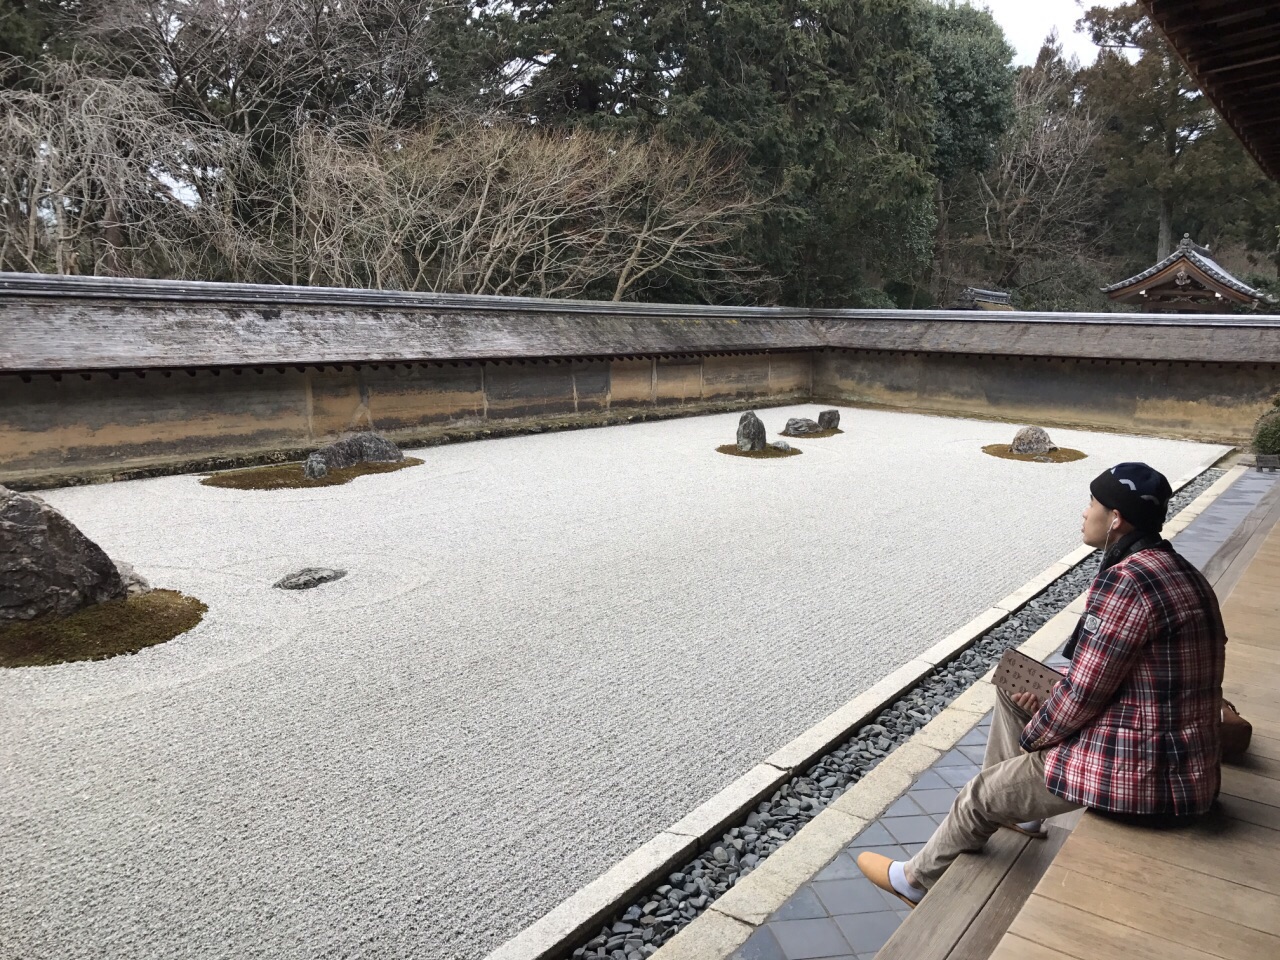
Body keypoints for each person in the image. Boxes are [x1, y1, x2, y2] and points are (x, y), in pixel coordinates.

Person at [857, 462, 1228, 908]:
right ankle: (1023, 815)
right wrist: (1044, 714)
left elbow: (1085, 694)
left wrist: (1038, 737)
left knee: (979, 794)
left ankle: (914, 880)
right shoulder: (1176, 568)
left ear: (1116, 519)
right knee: (1014, 687)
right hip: (1180, 758)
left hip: (1148, 776)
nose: (1084, 511)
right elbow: (1110, 677)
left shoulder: (1127, 582)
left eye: (1092, 502)